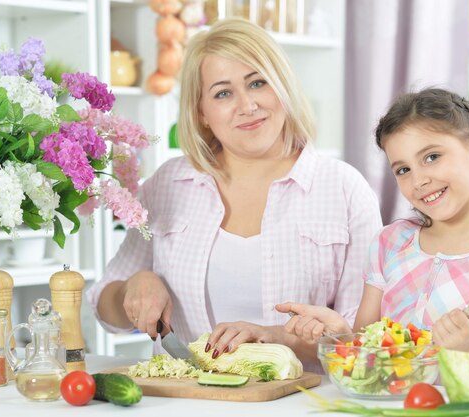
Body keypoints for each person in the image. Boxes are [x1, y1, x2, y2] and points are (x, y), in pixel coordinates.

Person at [86, 18, 382, 368]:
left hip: (302, 401)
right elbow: (105, 309)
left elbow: (362, 341)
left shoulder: (344, 189)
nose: (247, 105)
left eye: (258, 83)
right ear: (202, 113)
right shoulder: (168, 184)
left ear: (282, 87)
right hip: (185, 398)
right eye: (223, 93)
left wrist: (276, 336)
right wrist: (133, 286)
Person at [277, 88, 469, 362]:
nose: (418, 181)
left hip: (460, 406)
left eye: (432, 157)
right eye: (403, 170)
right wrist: (338, 333)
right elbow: (365, 356)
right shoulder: (390, 243)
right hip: (385, 405)